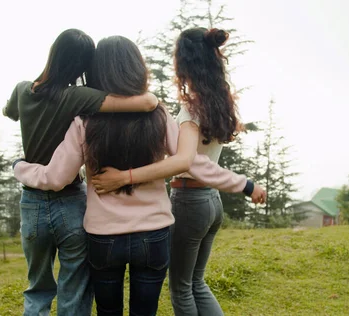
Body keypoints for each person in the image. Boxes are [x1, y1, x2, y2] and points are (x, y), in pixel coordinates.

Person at [13, 35, 264, 316]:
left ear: (96, 71)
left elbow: (55, 178)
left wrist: (20, 168)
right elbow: (195, 163)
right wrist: (244, 184)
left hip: (104, 236)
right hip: (152, 234)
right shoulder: (157, 115)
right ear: (137, 67)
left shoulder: (85, 121)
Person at [90, 27, 265, 316]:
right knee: (197, 282)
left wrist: (124, 177)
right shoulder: (218, 103)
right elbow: (202, 162)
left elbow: (186, 161)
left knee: (182, 288)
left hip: (191, 201)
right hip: (211, 201)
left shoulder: (190, 111)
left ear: (183, 62)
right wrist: (244, 184)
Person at [3, 28, 159, 316]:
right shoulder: (79, 97)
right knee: (74, 284)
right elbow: (147, 102)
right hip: (69, 201)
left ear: (54, 53)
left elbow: (9, 113)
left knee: (36, 287)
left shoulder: (22, 89)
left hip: (32, 202)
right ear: (84, 65)